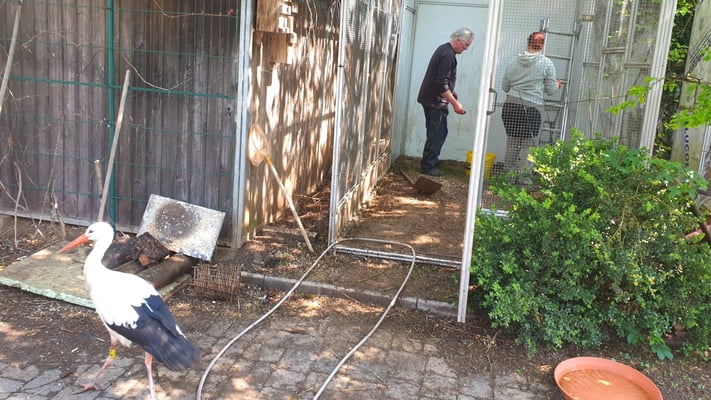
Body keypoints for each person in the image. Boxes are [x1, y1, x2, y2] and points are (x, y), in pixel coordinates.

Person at [501, 31, 559, 178]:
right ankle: (524, 179)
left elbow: (505, 87)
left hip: (511, 106)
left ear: (528, 42)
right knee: (529, 145)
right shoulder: (546, 63)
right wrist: (557, 85)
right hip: (533, 108)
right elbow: (551, 91)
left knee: (512, 142)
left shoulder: (513, 61)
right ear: (542, 45)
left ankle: (507, 178)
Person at [417, 27, 474, 177]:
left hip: (430, 98)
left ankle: (431, 160)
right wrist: (455, 103)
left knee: (435, 132)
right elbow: (441, 84)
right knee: (437, 133)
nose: (466, 48)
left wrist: (451, 93)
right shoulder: (448, 55)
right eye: (466, 45)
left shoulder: (444, 49)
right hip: (435, 101)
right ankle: (428, 166)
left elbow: (442, 81)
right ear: (458, 40)